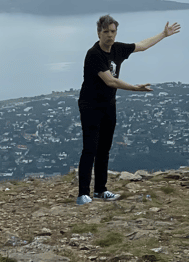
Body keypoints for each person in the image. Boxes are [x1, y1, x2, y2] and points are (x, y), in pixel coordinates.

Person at [76, 14, 181, 205]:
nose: (110, 35)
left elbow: (141, 45)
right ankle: (83, 194)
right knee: (90, 148)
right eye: (106, 32)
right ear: (99, 33)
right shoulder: (94, 54)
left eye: (113, 31)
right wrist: (135, 88)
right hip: (90, 106)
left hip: (108, 104)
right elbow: (110, 80)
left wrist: (164, 34)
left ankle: (100, 190)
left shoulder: (117, 49)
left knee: (104, 149)